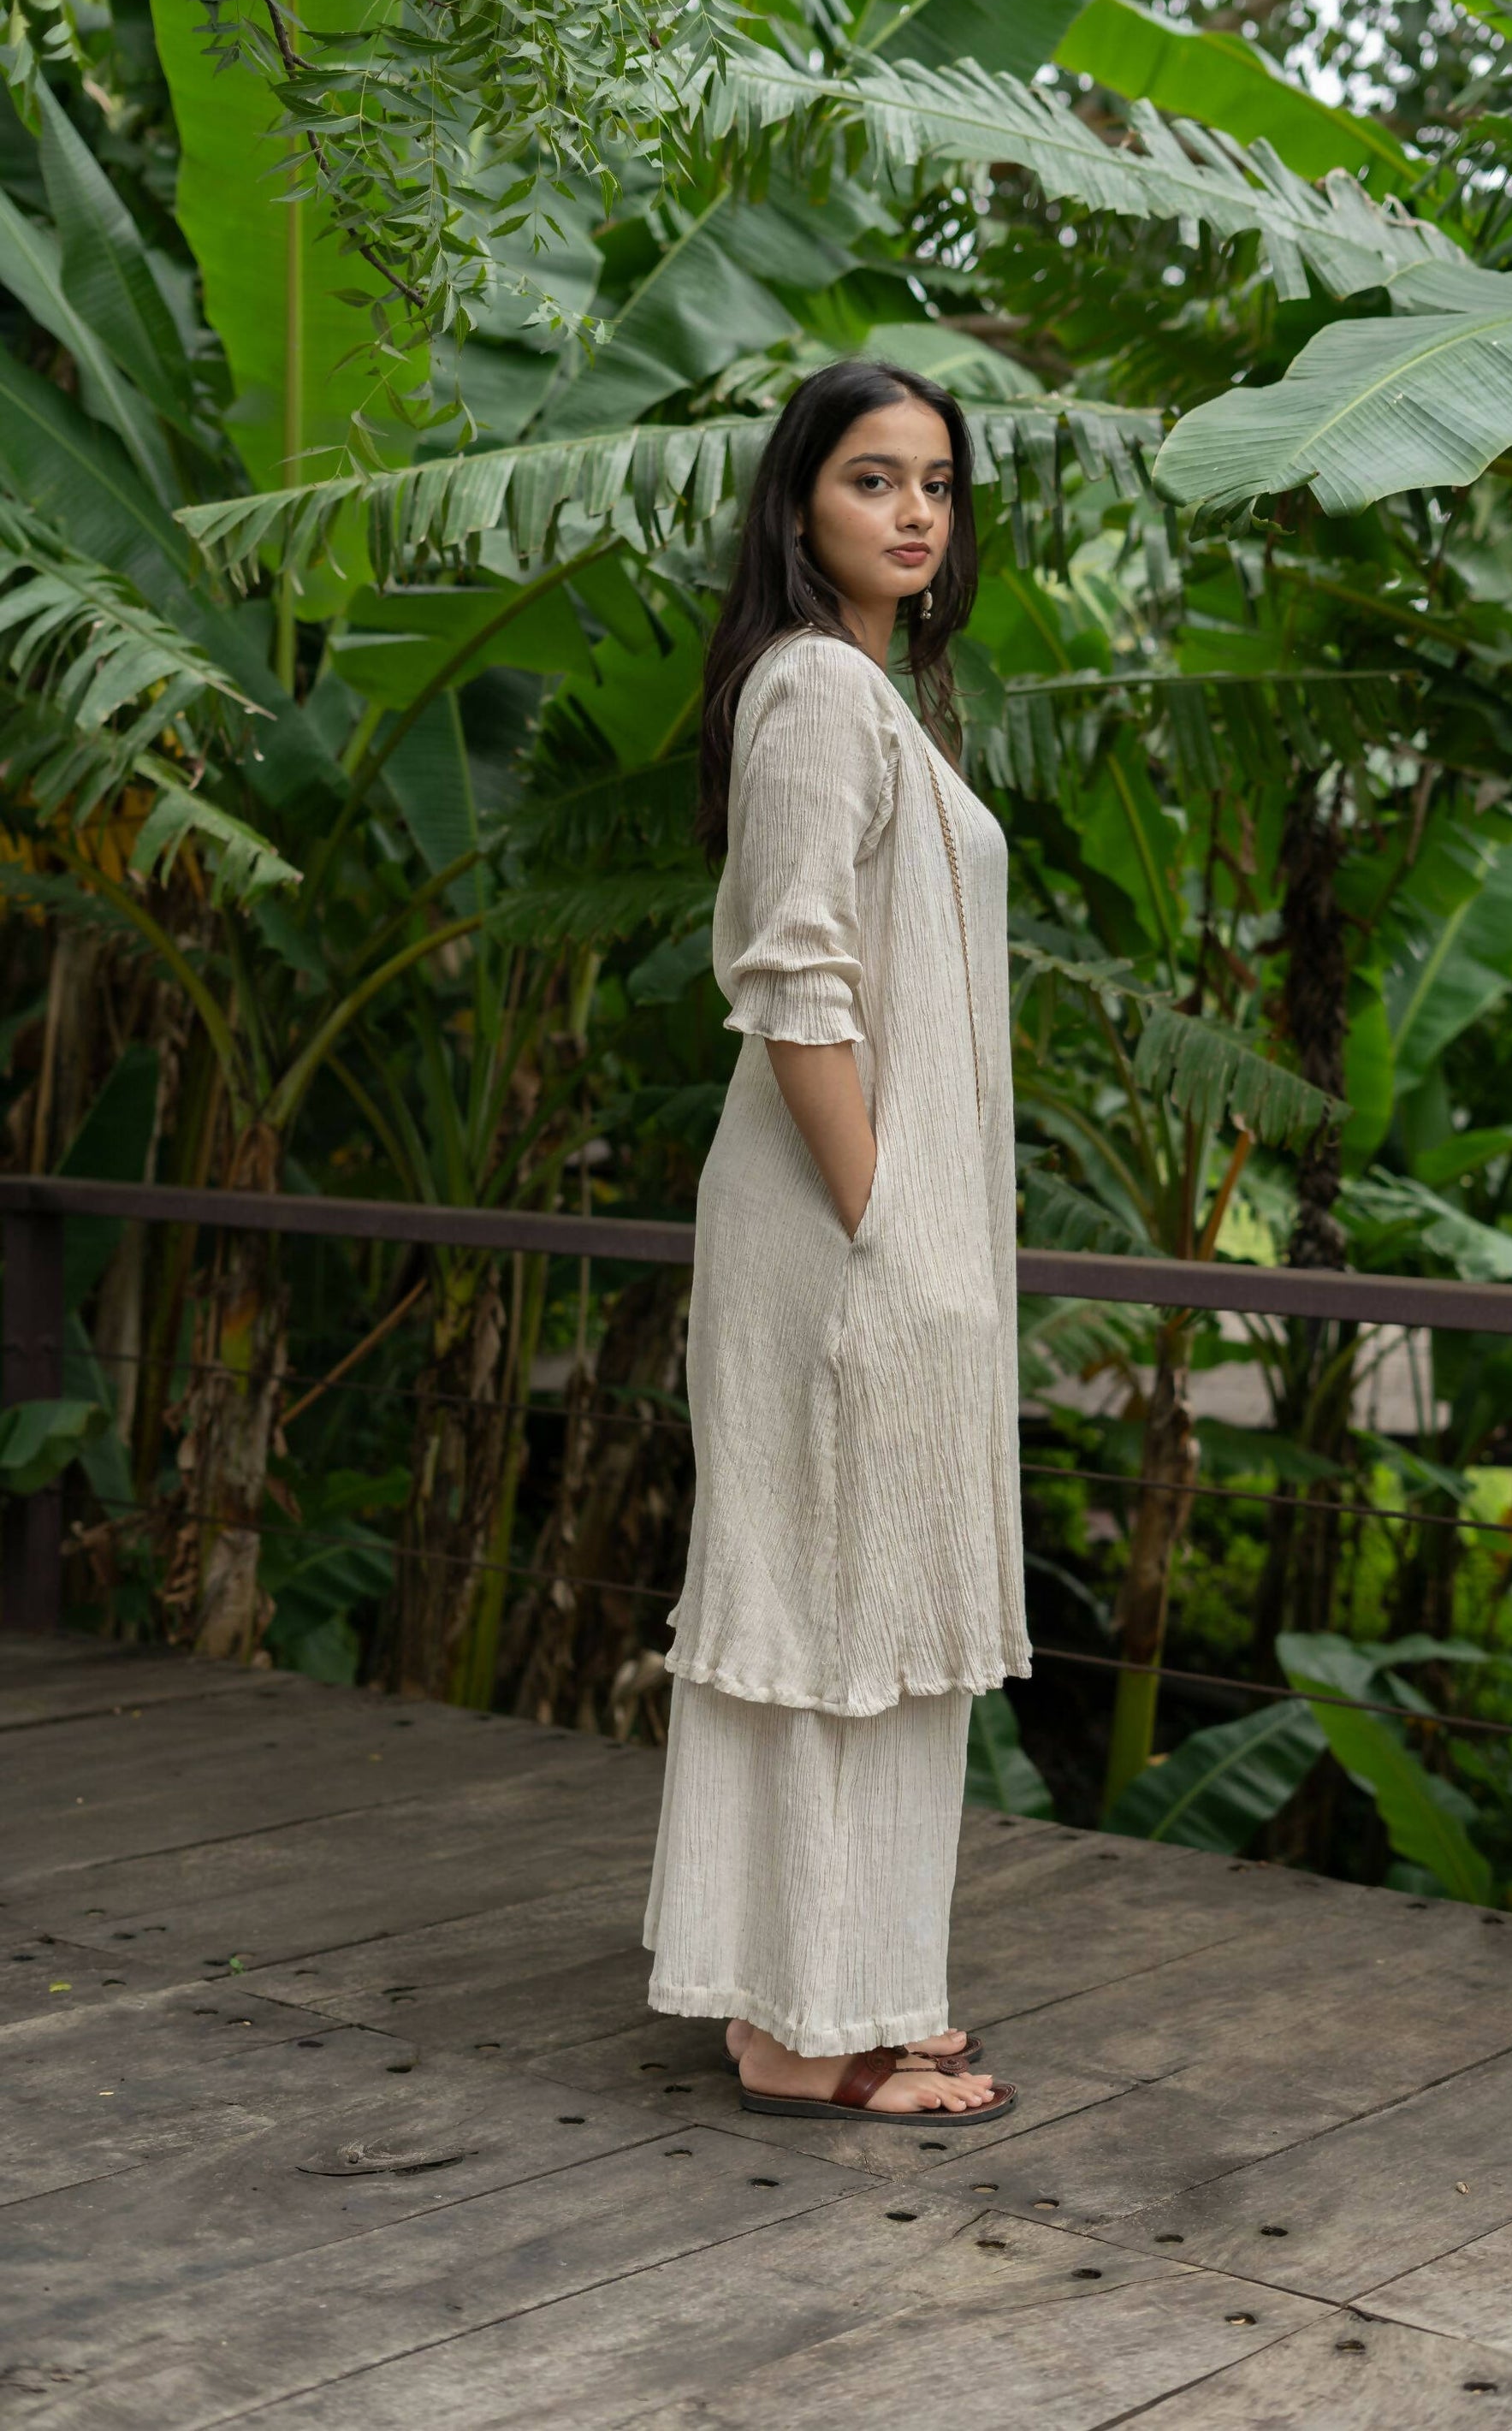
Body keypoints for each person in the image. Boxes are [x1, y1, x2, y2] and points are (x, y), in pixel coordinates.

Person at [641, 359, 1030, 2126]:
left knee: (858, 1604)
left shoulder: (870, 695)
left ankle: (831, 1995)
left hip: (877, 1227)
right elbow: (792, 976)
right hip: (837, 1229)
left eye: (936, 482)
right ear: (799, 502)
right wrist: (883, 1214)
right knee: (829, 1603)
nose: (915, 511)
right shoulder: (811, 688)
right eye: (873, 478)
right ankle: (807, 2030)